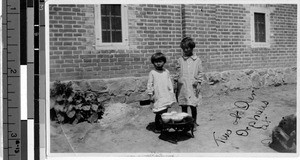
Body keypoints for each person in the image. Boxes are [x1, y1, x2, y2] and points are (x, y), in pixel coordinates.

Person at [175, 37, 204, 130]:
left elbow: (200, 72)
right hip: (183, 86)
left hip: (193, 85)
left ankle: (194, 122)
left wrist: (199, 82)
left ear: (192, 48)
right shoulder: (180, 60)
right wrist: (176, 82)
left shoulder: (197, 60)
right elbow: (177, 72)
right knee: (184, 105)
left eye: (188, 48)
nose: (186, 50)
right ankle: (185, 122)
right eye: (184, 49)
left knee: (193, 105)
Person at [147, 52, 177, 133]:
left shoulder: (166, 71)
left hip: (166, 94)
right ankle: (158, 127)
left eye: (160, 61)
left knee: (165, 111)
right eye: (156, 62)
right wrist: (150, 95)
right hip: (158, 95)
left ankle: (164, 125)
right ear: (153, 63)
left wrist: (171, 93)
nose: (158, 63)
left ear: (164, 62)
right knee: (159, 112)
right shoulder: (152, 73)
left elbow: (169, 83)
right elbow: (150, 84)